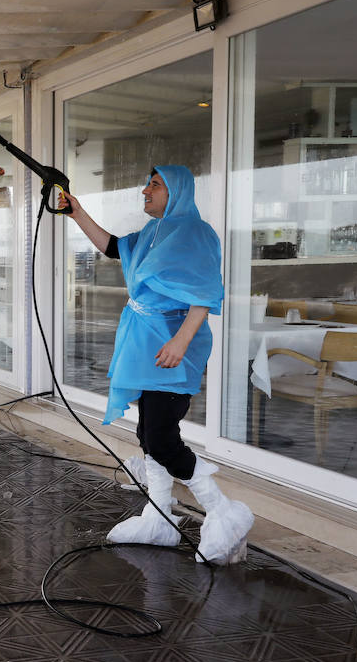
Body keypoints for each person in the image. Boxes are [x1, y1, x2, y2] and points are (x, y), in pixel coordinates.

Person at [61, 166, 252, 564]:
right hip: (145, 344)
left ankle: (222, 513)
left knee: (163, 436)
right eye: (147, 182)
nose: (145, 190)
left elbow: (205, 292)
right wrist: (76, 212)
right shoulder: (152, 233)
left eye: (155, 184)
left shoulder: (195, 232)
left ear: (176, 191)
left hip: (173, 346)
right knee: (148, 433)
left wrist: (180, 342)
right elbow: (114, 247)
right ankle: (161, 517)